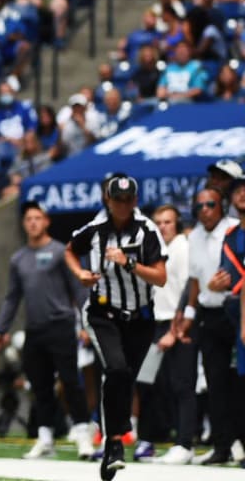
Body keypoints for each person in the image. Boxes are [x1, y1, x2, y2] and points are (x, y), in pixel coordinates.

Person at [66, 174, 166, 479]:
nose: (122, 206)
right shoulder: (95, 229)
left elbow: (160, 277)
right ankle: (113, 443)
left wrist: (129, 263)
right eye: (116, 200)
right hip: (102, 313)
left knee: (127, 378)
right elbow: (69, 249)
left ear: (134, 201)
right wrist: (80, 273)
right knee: (117, 370)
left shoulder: (147, 230)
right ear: (107, 201)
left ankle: (115, 433)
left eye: (127, 200)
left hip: (140, 317)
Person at [0, 202, 95, 460]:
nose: (33, 222)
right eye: (29, 219)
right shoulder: (18, 259)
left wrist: (88, 325)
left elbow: (79, 290)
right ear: (24, 224)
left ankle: (83, 436)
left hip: (61, 326)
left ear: (46, 221)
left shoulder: (61, 252)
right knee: (40, 386)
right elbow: (12, 298)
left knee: (70, 382)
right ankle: (45, 439)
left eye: (38, 218)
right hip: (34, 330)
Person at [173, 186, 243, 465]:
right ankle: (222, 445)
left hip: (236, 310)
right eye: (199, 206)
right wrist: (189, 313)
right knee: (215, 383)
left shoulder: (235, 230)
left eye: (210, 204)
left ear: (221, 206)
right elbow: (194, 280)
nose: (204, 210)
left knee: (240, 382)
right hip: (209, 312)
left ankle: (240, 441)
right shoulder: (194, 236)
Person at [139, 204, 196, 464]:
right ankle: (154, 439)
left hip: (180, 321)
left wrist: (176, 329)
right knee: (151, 382)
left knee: (183, 384)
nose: (162, 226)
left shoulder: (183, 248)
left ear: (177, 223)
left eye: (167, 222)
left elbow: (189, 289)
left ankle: (185, 443)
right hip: (158, 322)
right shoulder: (157, 250)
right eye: (158, 222)